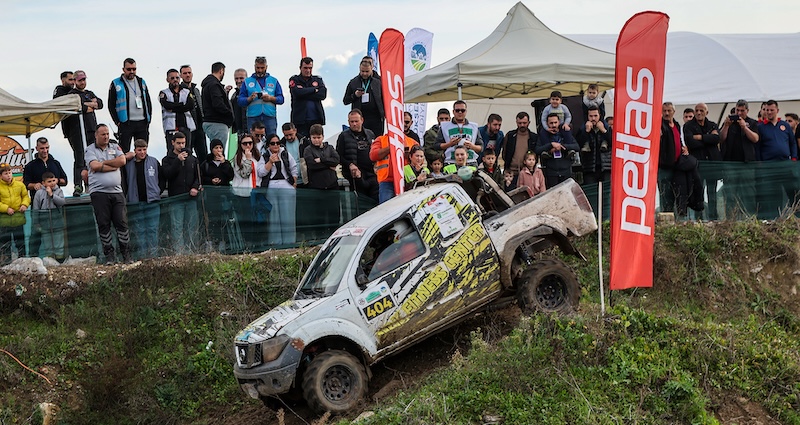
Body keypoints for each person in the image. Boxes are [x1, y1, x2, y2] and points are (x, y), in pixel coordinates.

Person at [85, 124, 131, 264]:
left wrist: (104, 163)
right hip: (99, 193)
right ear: (96, 135)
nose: (106, 137)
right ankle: (109, 256)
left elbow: (122, 160)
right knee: (104, 224)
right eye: (103, 134)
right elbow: (94, 166)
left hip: (117, 192)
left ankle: (126, 255)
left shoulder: (114, 146)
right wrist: (113, 165)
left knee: (121, 223)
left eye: (107, 134)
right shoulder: (90, 149)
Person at [23, 137, 68, 257]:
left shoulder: (55, 163)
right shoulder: (30, 166)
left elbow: (65, 180)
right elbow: (26, 184)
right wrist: (35, 185)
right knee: (36, 232)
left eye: (47, 148)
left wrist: (55, 181)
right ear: (37, 149)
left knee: (58, 234)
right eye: (42, 148)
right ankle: (33, 257)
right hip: (39, 204)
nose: (45, 150)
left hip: (56, 206)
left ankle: (59, 258)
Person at [757, 100, 798, 217]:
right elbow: (758, 147)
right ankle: (776, 217)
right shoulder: (761, 127)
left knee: (792, 190)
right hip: (769, 166)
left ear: (777, 111)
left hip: (785, 164)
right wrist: (760, 162)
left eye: (771, 110)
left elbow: (792, 143)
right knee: (774, 193)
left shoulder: (784, 126)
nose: (769, 112)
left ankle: (796, 215)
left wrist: (793, 158)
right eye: (767, 110)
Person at [162, 132, 201, 255]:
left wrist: (195, 187)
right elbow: (167, 175)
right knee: (177, 226)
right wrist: (177, 161)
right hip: (176, 198)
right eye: (178, 143)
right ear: (172, 143)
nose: (181, 146)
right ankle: (179, 253)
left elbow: (199, 176)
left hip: (191, 198)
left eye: (183, 143)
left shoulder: (193, 159)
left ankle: (193, 251)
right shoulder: (167, 159)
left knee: (192, 226)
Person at [124, 139, 163, 259]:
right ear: (135, 150)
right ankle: (142, 257)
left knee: (153, 230)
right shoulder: (128, 164)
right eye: (139, 150)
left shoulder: (154, 162)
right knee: (139, 232)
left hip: (152, 202)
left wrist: (158, 191)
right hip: (135, 203)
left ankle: (153, 257)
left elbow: (161, 179)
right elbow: (124, 181)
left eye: (144, 149)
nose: (142, 152)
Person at [719, 99, 759, 217]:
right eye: (737, 110)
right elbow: (721, 139)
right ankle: (730, 219)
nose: (739, 113)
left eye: (742, 111)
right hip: (730, 163)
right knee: (730, 193)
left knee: (748, 192)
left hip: (747, 163)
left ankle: (749, 217)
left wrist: (744, 128)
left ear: (747, 111)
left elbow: (755, 138)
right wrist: (726, 126)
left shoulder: (752, 123)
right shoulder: (729, 122)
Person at [66, 70, 103, 196]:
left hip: (91, 129)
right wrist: (89, 105)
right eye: (80, 80)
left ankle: (90, 182)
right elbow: (78, 105)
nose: (83, 82)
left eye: (84, 80)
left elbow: (100, 103)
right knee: (80, 157)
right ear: (75, 81)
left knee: (92, 156)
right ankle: (78, 184)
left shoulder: (89, 93)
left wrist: (90, 104)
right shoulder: (72, 94)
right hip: (77, 130)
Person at [684, 102, 721, 219]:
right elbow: (690, 142)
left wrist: (700, 137)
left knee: (712, 192)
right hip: (697, 165)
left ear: (706, 112)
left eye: (701, 110)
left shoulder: (712, 125)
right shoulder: (688, 126)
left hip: (712, 164)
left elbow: (716, 139)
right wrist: (708, 138)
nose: (699, 113)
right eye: (697, 111)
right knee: (698, 192)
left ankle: (713, 216)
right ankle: (698, 218)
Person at [232, 134, 269, 248]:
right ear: (240, 145)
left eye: (250, 143)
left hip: (256, 191)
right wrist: (247, 160)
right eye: (245, 143)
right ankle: (247, 244)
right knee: (246, 220)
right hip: (243, 193)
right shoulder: (238, 158)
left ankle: (259, 243)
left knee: (259, 219)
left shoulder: (257, 157)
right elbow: (244, 174)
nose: (248, 146)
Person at [108, 58, 152, 152]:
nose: (132, 71)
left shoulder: (141, 81)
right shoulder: (116, 83)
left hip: (142, 122)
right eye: (129, 69)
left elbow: (148, 101)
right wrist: (117, 122)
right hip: (126, 123)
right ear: (123, 69)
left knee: (142, 151)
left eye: (134, 69)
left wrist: (148, 119)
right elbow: (111, 104)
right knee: (124, 152)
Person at [303, 125, 340, 236]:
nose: (316, 140)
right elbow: (312, 165)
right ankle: (320, 236)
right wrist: (328, 165)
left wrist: (322, 160)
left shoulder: (330, 148)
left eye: (318, 137)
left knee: (334, 214)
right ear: (310, 137)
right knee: (320, 214)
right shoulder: (308, 150)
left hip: (332, 185)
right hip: (317, 187)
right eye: (314, 138)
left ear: (323, 137)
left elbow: (336, 160)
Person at [337, 109, 379, 202]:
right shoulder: (343, 136)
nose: (354, 124)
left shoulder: (370, 134)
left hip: (371, 174)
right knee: (361, 201)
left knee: (376, 200)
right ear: (348, 122)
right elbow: (338, 156)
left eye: (356, 121)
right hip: (355, 175)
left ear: (362, 120)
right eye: (352, 122)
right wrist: (350, 165)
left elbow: (376, 152)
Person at [263, 134, 297, 246]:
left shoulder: (285, 154)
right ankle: (275, 243)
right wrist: (270, 162)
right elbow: (261, 172)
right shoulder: (264, 156)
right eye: (273, 143)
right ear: (268, 145)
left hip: (286, 184)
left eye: (278, 143)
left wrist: (294, 183)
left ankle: (289, 242)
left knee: (288, 215)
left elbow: (293, 168)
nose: (276, 145)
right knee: (274, 216)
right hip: (271, 186)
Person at [238, 56, 284, 136]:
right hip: (253, 116)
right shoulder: (247, 82)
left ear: (266, 67)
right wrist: (249, 99)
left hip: (269, 116)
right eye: (258, 68)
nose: (260, 70)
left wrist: (271, 98)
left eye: (262, 68)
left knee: (271, 140)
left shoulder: (274, 81)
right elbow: (240, 101)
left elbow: (281, 99)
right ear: (254, 67)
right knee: (253, 141)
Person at [370, 132, 418, 203]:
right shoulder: (381, 139)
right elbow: (373, 156)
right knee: (386, 208)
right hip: (387, 181)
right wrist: (391, 147)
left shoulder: (412, 142)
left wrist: (408, 155)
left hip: (408, 181)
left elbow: (420, 158)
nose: (405, 124)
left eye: (407, 122)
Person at [343, 56, 384, 136]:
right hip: (360, 118)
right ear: (359, 69)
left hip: (376, 118)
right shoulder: (353, 82)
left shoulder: (378, 82)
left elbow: (384, 98)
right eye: (362, 71)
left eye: (367, 71)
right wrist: (355, 95)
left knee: (377, 141)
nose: (364, 74)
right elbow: (345, 100)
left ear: (371, 69)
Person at [536, 113, 579, 188]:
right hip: (551, 172)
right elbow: (537, 150)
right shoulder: (543, 136)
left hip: (566, 171)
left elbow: (577, 147)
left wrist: (562, 146)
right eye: (551, 123)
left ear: (559, 122)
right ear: (547, 124)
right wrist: (550, 145)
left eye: (555, 122)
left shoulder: (565, 134)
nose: (553, 125)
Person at [159, 69, 196, 153]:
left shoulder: (186, 92)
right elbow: (166, 105)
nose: (175, 80)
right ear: (167, 79)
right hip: (171, 127)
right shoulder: (164, 93)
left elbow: (190, 106)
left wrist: (174, 107)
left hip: (186, 126)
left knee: (187, 151)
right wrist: (182, 105)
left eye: (177, 78)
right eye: (172, 78)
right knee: (171, 152)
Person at [31, 172, 65, 261]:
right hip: (44, 222)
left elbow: (62, 202)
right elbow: (36, 209)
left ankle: (60, 259)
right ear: (43, 183)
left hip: (57, 221)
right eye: (49, 181)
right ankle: (50, 261)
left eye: (54, 180)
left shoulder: (59, 191)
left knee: (59, 242)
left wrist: (52, 195)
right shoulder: (39, 193)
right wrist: (36, 223)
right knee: (48, 244)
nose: (52, 183)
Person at [289, 57, 327, 138]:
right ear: (300, 68)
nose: (308, 70)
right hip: (300, 120)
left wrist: (304, 92)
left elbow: (322, 95)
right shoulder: (294, 79)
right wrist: (313, 90)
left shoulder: (318, 80)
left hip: (316, 119)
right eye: (305, 68)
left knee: (317, 144)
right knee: (302, 145)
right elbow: (297, 93)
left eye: (310, 68)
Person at [436, 101, 483, 166]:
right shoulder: (444, 126)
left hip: (470, 162)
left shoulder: (474, 127)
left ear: (466, 111)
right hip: (451, 162)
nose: (460, 112)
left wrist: (472, 146)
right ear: (453, 111)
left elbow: (481, 147)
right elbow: (437, 145)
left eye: (462, 110)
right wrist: (449, 144)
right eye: (457, 110)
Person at [0, 164, 30, 263]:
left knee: (20, 243)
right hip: (4, 221)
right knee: (5, 244)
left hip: (18, 220)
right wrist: (6, 208)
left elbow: (26, 196)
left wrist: (24, 205)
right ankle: (6, 263)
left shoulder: (20, 185)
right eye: (5, 173)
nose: (8, 175)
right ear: (1, 176)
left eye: (9, 173)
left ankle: (23, 261)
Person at [201, 62, 234, 151]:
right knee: (219, 152)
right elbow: (218, 103)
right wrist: (229, 114)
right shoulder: (214, 85)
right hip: (217, 122)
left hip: (211, 121)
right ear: (221, 71)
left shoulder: (208, 85)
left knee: (216, 150)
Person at [499, 112, 537, 186]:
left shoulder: (534, 137)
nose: (522, 125)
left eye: (524, 123)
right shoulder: (510, 135)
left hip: (527, 173)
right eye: (520, 123)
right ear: (516, 122)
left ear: (529, 123)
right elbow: (504, 153)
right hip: (511, 174)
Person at [577, 105, 612, 185]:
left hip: (606, 167)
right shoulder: (582, 128)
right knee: (591, 193)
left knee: (606, 193)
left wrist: (604, 131)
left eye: (595, 116)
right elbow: (579, 144)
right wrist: (586, 132)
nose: (593, 118)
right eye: (591, 116)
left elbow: (613, 143)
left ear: (600, 116)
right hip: (589, 168)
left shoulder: (606, 127)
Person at [180, 65, 207, 160]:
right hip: (187, 127)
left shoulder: (196, 90)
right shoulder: (180, 91)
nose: (187, 75)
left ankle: (203, 174)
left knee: (203, 154)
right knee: (187, 153)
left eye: (189, 73)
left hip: (200, 126)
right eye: (185, 73)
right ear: (181, 76)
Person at [280, 123, 309, 187]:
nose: (289, 137)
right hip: (288, 181)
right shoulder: (281, 145)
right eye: (286, 135)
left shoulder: (304, 141)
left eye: (291, 134)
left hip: (305, 180)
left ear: (295, 130)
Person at [54, 71, 75, 143]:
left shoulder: (76, 91)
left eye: (74, 80)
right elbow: (59, 103)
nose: (73, 82)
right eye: (70, 80)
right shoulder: (59, 90)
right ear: (63, 81)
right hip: (70, 128)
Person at [230, 68, 248, 136]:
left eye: (241, 78)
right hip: (238, 130)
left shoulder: (250, 93)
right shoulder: (234, 95)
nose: (239, 81)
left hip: (249, 128)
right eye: (236, 79)